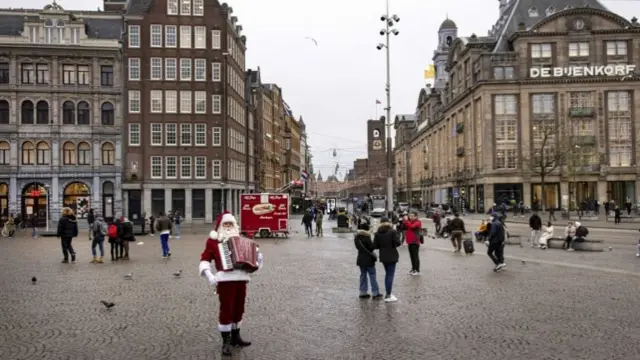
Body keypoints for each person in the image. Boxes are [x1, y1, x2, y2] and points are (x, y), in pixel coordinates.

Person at [199, 211, 263, 356]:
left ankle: (236, 336)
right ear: (220, 226)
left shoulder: (241, 239)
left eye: (230, 224)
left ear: (235, 225)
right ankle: (226, 342)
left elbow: (253, 262)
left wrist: (258, 258)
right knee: (226, 310)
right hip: (225, 280)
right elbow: (205, 259)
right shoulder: (213, 241)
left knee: (239, 308)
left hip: (241, 278)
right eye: (225, 224)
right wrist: (209, 275)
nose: (228, 226)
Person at [373, 217, 401, 302]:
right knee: (390, 274)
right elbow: (398, 243)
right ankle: (388, 294)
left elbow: (376, 246)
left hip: (383, 256)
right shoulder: (392, 231)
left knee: (387, 274)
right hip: (392, 255)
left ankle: (388, 293)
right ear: (389, 222)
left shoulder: (378, 233)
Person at [354, 222, 381, 299]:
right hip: (368, 259)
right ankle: (375, 293)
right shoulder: (367, 237)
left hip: (360, 259)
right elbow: (371, 247)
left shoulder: (357, 237)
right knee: (372, 275)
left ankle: (363, 292)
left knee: (363, 275)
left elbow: (358, 247)